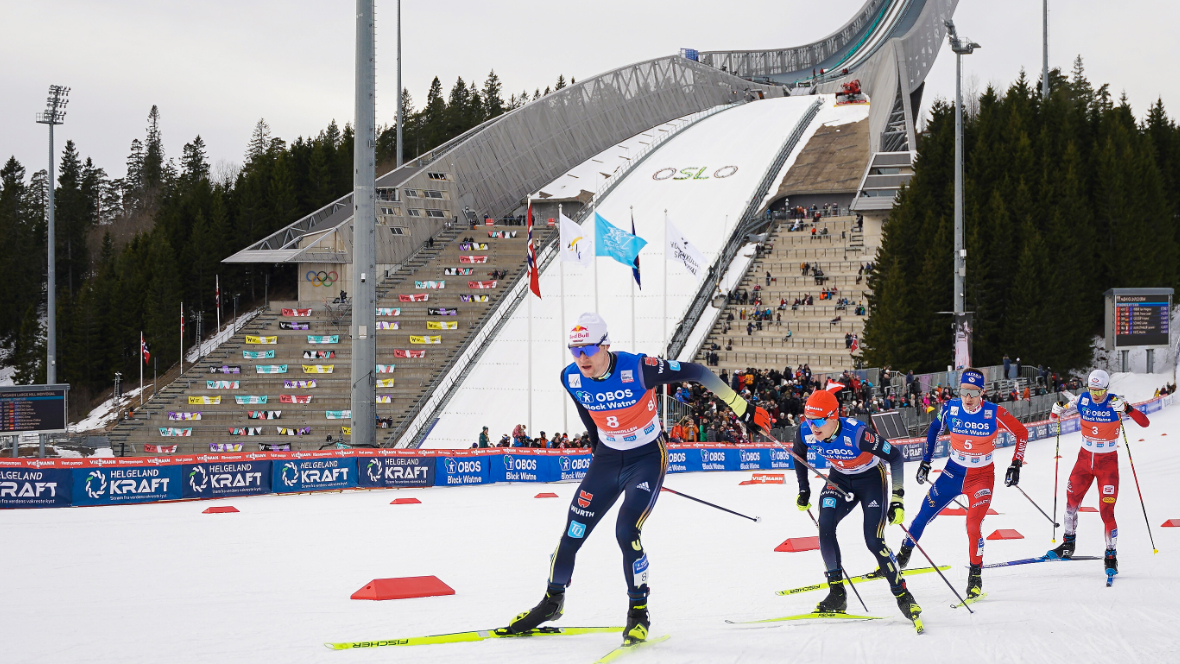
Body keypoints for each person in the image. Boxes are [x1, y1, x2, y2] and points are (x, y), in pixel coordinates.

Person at [506, 313, 769, 643]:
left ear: (605, 345)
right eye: (575, 350)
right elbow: (586, 408)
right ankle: (552, 601)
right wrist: (596, 443)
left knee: (626, 529)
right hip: (607, 460)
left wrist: (742, 407)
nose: (582, 358)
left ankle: (638, 611)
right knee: (573, 531)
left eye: (587, 349)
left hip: (646, 458)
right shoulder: (570, 377)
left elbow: (699, 373)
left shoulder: (639, 368)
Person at [793, 388, 922, 625]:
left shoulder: (858, 434)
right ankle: (837, 594)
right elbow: (798, 454)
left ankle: (903, 594)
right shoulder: (806, 432)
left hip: (871, 479)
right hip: (839, 479)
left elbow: (894, 456)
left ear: (834, 416)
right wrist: (804, 489)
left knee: (873, 540)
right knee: (825, 527)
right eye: (808, 420)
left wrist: (898, 498)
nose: (813, 427)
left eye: (819, 420)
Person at [898, 368, 1028, 599]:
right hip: (953, 472)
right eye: (964, 392)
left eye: (973, 393)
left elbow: (1021, 433)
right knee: (923, 514)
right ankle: (903, 554)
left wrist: (1015, 464)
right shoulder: (951, 407)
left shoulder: (993, 412)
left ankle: (975, 575)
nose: (968, 398)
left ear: (982, 393)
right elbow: (934, 429)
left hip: (982, 477)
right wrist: (926, 462)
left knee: (972, 525)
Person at [1047, 369, 1150, 578]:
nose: (1095, 395)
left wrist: (1128, 408)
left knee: (1106, 511)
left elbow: (1145, 422)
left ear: (1107, 388)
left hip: (1107, 463)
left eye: (1099, 390)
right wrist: (1056, 410)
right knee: (1070, 504)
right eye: (1092, 390)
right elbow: (1055, 417)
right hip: (1084, 461)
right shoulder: (1081, 400)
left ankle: (1111, 555)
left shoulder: (1115, 402)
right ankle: (1068, 543)